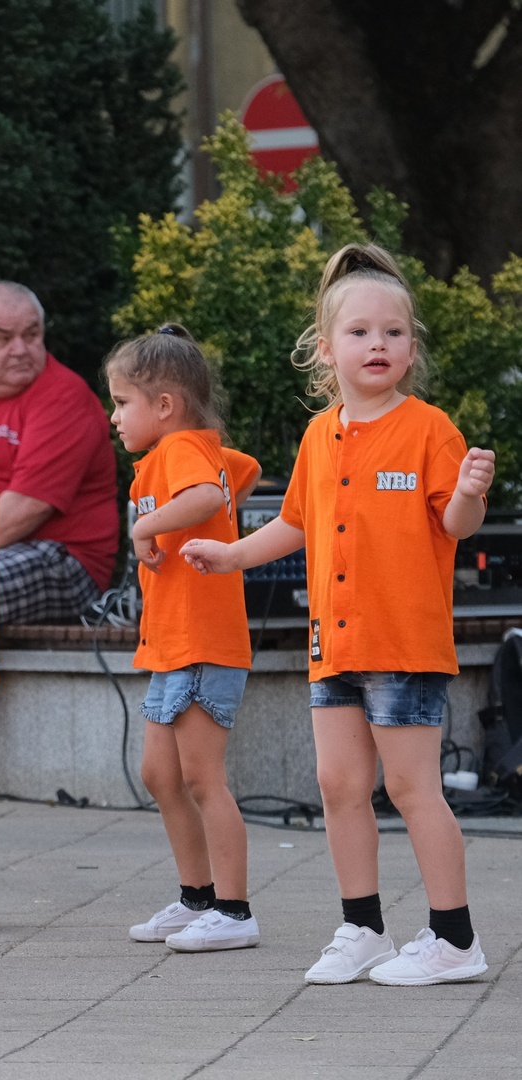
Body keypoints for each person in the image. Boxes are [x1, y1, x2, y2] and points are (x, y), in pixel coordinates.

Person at [182, 243, 495, 986]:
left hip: (404, 642)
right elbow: (297, 522)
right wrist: (231, 556)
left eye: (393, 332)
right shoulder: (320, 435)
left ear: (411, 347)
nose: (377, 344)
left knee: (412, 789)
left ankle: (455, 939)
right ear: (326, 348)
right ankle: (362, 928)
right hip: (336, 643)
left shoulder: (431, 430)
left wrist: (470, 492)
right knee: (338, 786)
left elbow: (455, 526)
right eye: (359, 332)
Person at [106, 325, 262, 952]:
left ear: (165, 405)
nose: (114, 416)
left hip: (202, 641)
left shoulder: (178, 450)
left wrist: (146, 527)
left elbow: (203, 494)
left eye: (122, 402)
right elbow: (240, 473)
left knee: (201, 778)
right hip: (171, 644)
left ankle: (234, 909)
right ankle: (197, 897)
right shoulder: (179, 452)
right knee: (160, 775)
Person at [0, 282, 117, 623]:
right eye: (3, 338)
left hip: (64, 558)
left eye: (31, 335)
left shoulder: (65, 396)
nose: (20, 349)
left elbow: (26, 509)